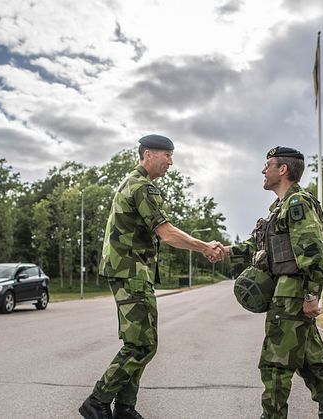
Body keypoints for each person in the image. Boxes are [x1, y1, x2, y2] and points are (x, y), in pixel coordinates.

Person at [79, 134, 225, 419]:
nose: (171, 162)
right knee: (142, 344)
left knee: (139, 343)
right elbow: (167, 233)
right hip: (130, 272)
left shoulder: (131, 183)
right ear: (148, 154)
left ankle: (124, 407)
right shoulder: (143, 187)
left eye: (172, 155)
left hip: (127, 271)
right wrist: (205, 246)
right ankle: (97, 401)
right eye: (166, 155)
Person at [227, 146, 323, 418]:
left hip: (291, 294)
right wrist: (222, 250)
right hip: (289, 294)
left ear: (283, 169)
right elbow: (257, 247)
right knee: (311, 362)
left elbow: (312, 251)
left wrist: (312, 296)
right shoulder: (279, 208)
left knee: (275, 366)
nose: (263, 170)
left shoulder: (297, 203)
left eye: (268, 165)